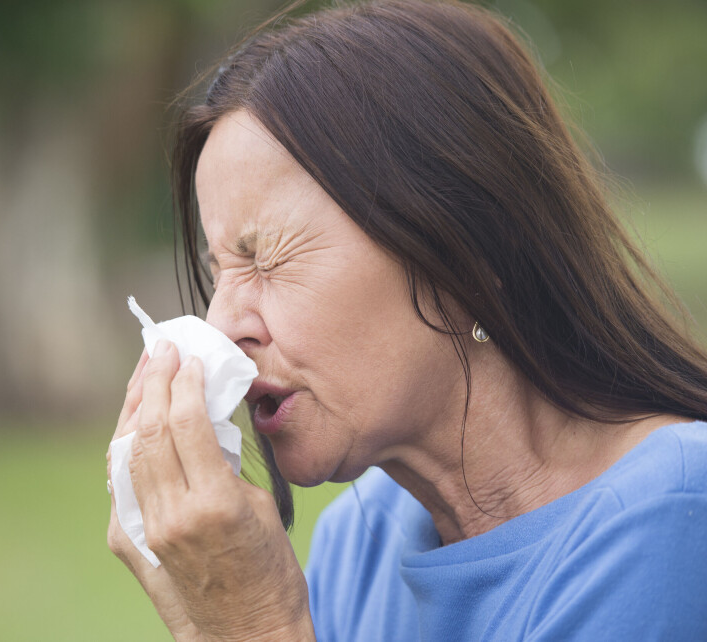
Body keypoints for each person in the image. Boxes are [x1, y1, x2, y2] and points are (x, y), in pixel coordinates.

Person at [106, 1, 707, 639]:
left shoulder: (671, 519)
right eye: (219, 270)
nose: (222, 324)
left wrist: (256, 625)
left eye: (267, 257)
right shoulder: (358, 546)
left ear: (466, 248)